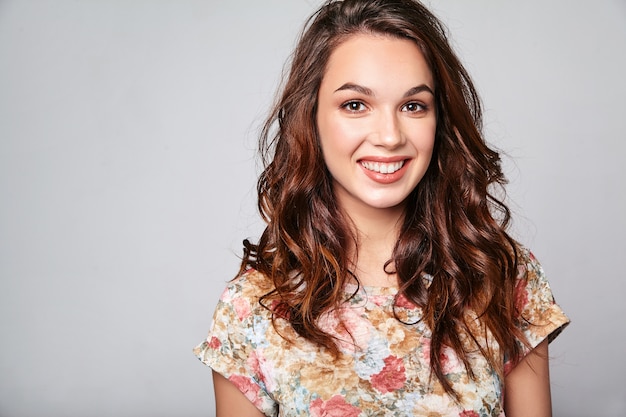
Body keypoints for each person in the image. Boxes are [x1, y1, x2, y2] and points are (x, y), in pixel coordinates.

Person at [194, 0, 570, 415]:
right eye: (355, 104)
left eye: (413, 106)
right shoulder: (255, 306)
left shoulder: (501, 275)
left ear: (439, 120)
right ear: (311, 118)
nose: (389, 136)